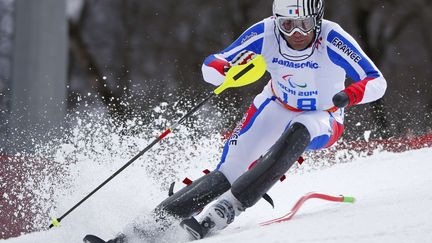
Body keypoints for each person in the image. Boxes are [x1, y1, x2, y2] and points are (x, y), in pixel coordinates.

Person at [85, 0, 387, 242]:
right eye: (288, 25)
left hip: (324, 115)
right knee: (228, 172)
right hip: (276, 105)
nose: (296, 33)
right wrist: (223, 69)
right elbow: (213, 64)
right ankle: (137, 233)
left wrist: (352, 94)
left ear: (317, 19)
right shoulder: (267, 32)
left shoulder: (332, 38)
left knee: (301, 129)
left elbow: (376, 80)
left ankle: (227, 209)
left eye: (304, 24)